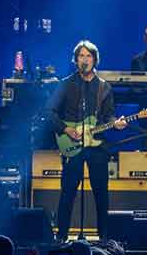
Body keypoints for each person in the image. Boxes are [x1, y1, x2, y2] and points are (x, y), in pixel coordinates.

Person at [47, 40, 127, 241]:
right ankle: (61, 236)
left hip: (97, 145)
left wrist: (115, 123)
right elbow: (49, 112)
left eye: (88, 56)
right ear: (76, 60)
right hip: (71, 144)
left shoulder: (104, 87)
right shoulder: (66, 84)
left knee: (101, 192)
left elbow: (109, 116)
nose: (85, 59)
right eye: (81, 56)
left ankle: (104, 237)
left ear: (95, 59)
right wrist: (66, 129)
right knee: (68, 192)